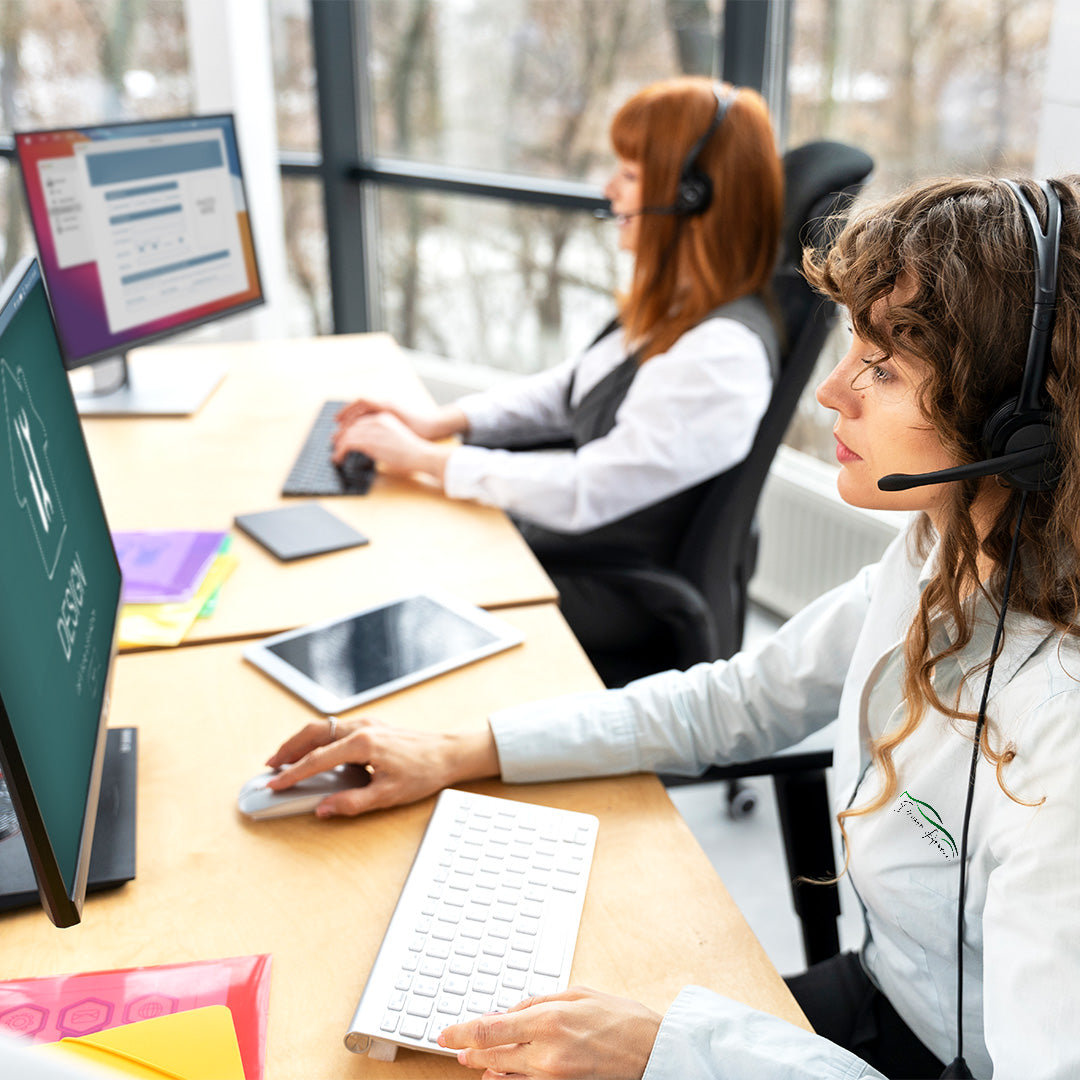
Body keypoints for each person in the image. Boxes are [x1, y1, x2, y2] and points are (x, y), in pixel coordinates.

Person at [265, 175, 1080, 1079]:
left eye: (884, 367)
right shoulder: (943, 554)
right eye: (853, 347)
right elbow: (735, 700)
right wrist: (461, 749)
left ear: (1023, 419)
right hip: (889, 999)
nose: (832, 393)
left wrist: (668, 1050)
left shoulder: (1062, 727)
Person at [330, 76, 784, 656]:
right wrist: (442, 423)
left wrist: (426, 461)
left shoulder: (721, 355)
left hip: (609, 585)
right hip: (577, 547)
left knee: (393, 583)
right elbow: (569, 390)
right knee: (396, 542)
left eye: (629, 175)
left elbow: (586, 489)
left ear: (690, 195)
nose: (609, 190)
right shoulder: (679, 306)